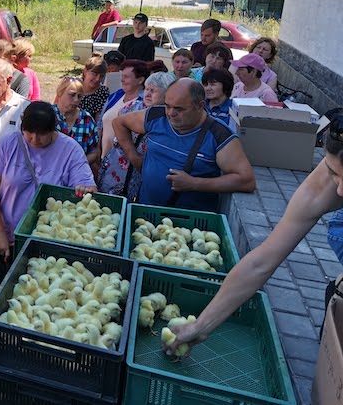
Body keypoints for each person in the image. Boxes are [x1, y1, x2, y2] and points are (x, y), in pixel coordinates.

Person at [164, 113, 343, 357]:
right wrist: (201, 324)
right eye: (334, 173)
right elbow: (262, 261)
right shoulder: (327, 181)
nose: (340, 189)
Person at [113, 78, 256, 211]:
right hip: (145, 211)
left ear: (200, 106)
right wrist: (135, 158)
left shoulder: (219, 135)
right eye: (167, 106)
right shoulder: (156, 115)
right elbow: (118, 122)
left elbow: (246, 181)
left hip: (188, 225)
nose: (170, 113)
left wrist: (194, 183)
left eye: (179, 109)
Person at [0, 102, 96, 257]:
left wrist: (84, 191)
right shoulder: (8, 143)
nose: (34, 139)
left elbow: (88, 190)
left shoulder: (71, 150)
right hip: (10, 239)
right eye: (29, 132)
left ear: (53, 129)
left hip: (51, 243)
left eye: (42, 133)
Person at [97, 71, 175, 199]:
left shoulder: (170, 117)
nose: (147, 94)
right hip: (117, 170)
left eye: (153, 91)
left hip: (144, 175)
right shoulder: (132, 107)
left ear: (167, 94)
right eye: (147, 89)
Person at [98, 60, 149, 159]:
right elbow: (100, 123)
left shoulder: (144, 102)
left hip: (126, 162)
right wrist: (97, 149)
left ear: (140, 80)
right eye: (122, 76)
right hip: (104, 158)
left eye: (126, 77)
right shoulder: (115, 95)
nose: (122, 80)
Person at [52, 77, 99, 166]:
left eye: (79, 96)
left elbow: (94, 152)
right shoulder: (49, 115)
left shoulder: (86, 119)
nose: (76, 100)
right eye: (72, 95)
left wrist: (77, 166)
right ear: (60, 93)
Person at [80, 54, 110, 120]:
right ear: (85, 71)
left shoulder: (102, 92)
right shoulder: (73, 85)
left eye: (101, 76)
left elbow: (98, 119)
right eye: (95, 74)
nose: (97, 79)